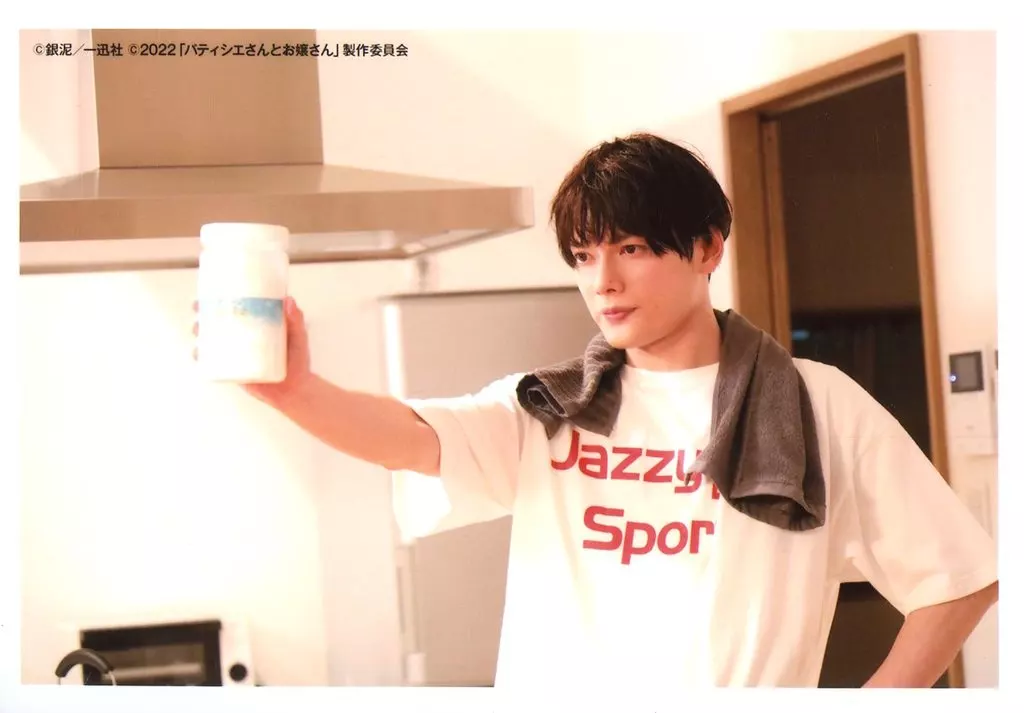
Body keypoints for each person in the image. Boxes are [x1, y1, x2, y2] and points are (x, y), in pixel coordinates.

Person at [193, 133, 998, 691]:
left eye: (631, 249)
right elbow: (410, 439)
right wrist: (291, 389)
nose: (601, 281)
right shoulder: (552, 406)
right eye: (583, 256)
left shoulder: (815, 405)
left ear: (708, 247)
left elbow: (960, 578)